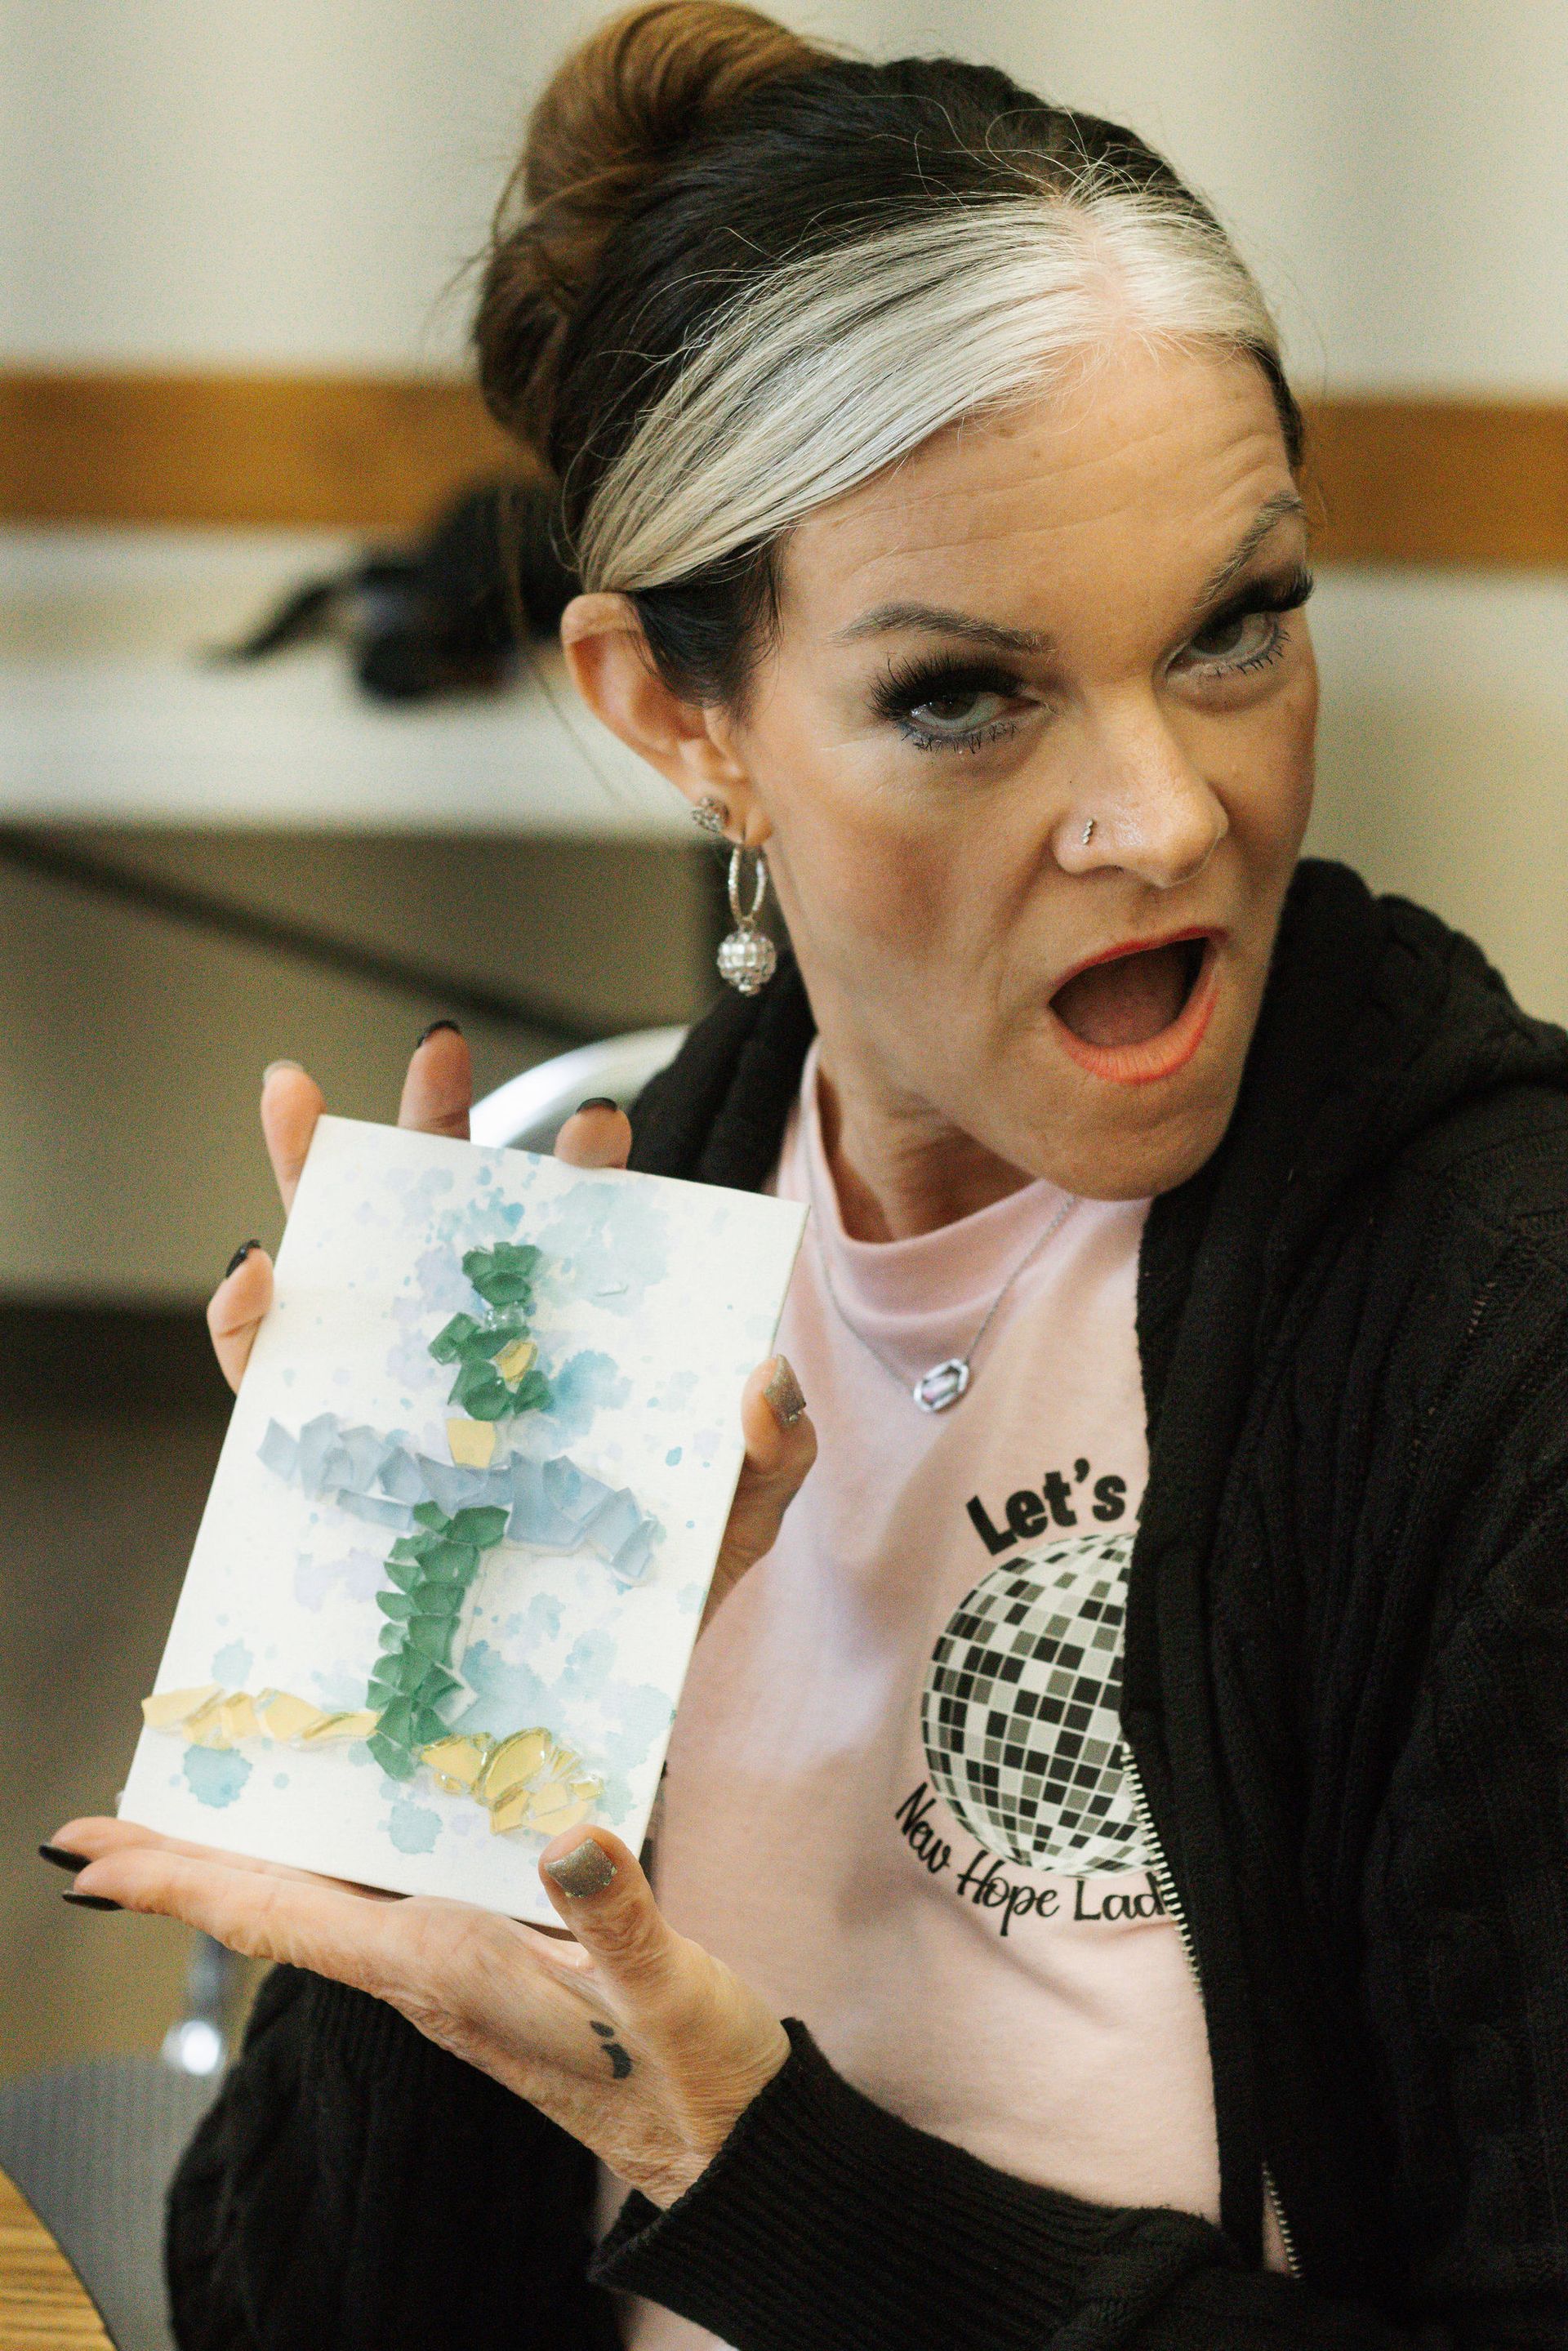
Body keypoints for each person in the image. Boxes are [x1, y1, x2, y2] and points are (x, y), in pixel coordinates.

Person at [46, 7, 1568, 2346]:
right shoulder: (583, 1267)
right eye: (970, 692)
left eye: (1236, 627)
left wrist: (742, 2169)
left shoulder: (1504, 1335)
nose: (1169, 814)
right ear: (675, 715)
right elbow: (301, 2313)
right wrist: (432, 1762)